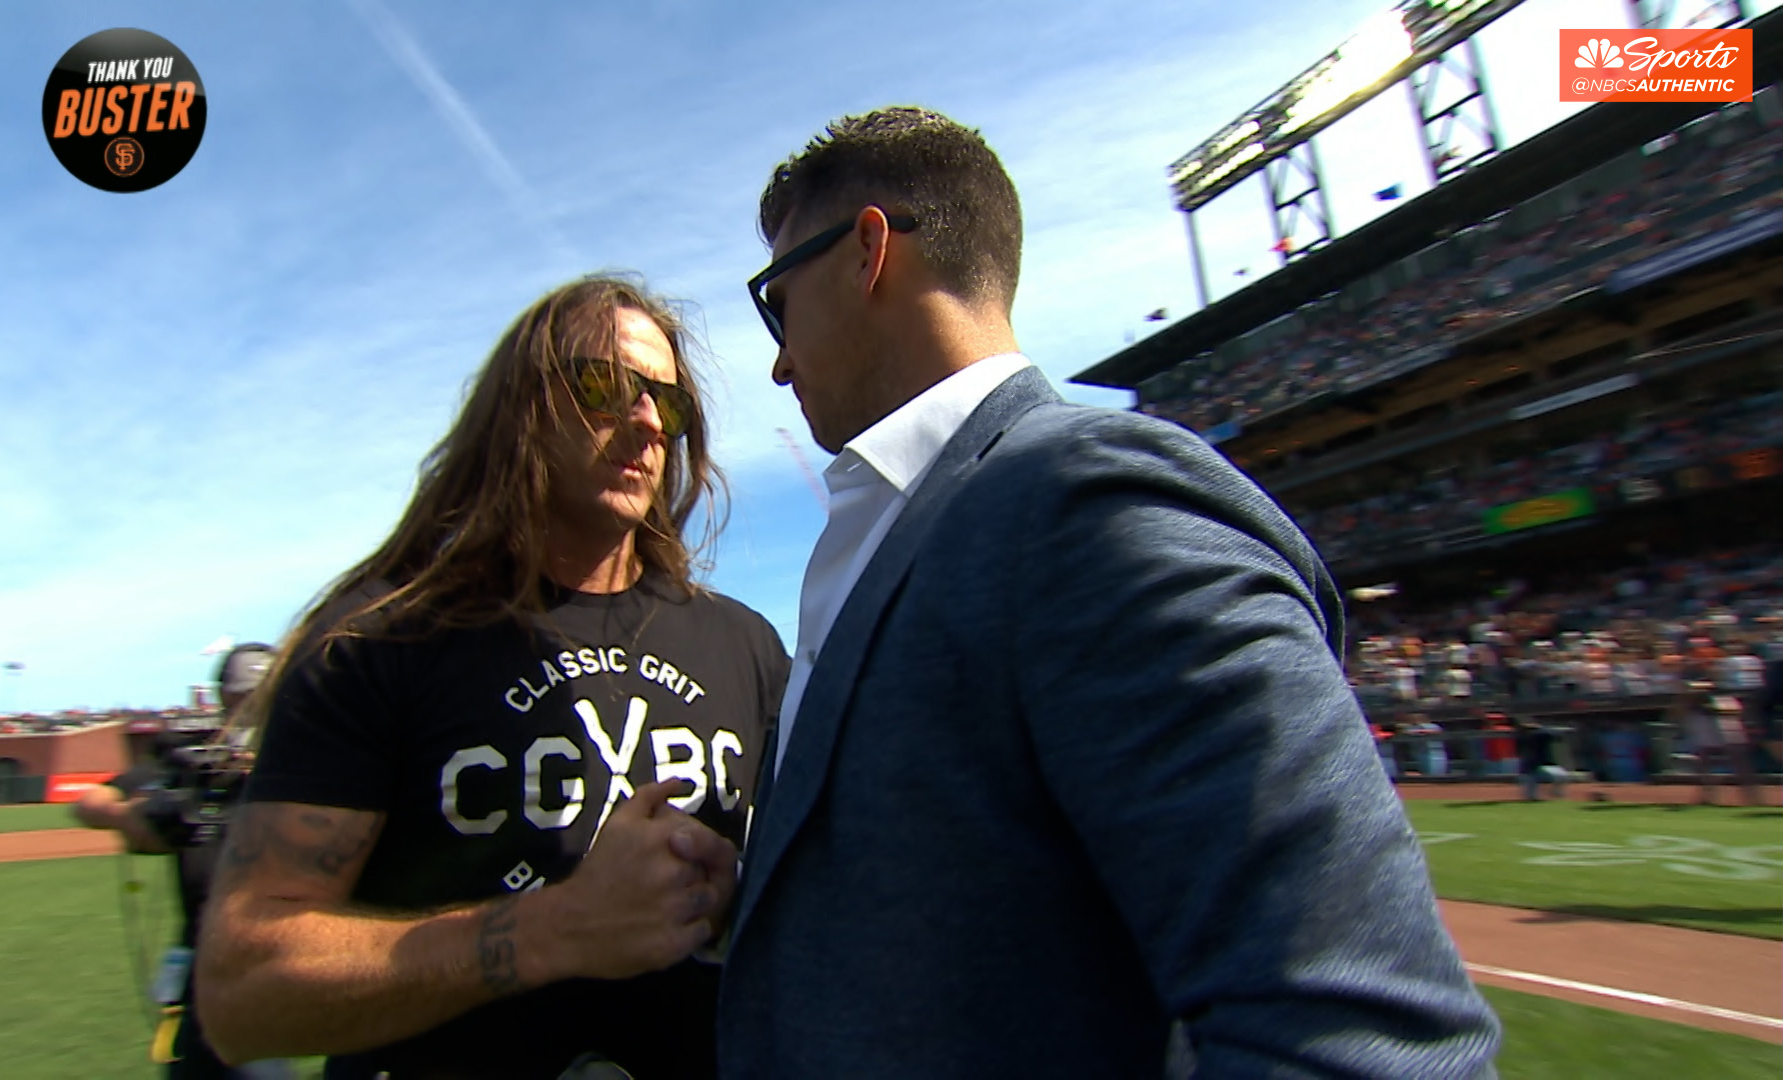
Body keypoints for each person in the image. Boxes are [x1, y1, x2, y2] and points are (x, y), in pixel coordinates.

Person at [718, 107, 1499, 1077]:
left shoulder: (1086, 496)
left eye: (775, 303)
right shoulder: (911, 522)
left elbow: (1360, 1039)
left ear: (867, 252)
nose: (779, 359)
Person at [194, 275, 788, 1080]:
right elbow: (242, 995)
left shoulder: (747, 648)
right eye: (603, 386)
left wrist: (737, 897)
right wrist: (557, 928)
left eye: (668, 403)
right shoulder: (381, 641)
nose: (647, 420)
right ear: (521, 407)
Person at [73, 643, 293, 1079]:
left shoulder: (307, 751)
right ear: (221, 698)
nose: (250, 708)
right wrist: (138, 817)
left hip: (283, 942)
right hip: (202, 948)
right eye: (240, 696)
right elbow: (90, 803)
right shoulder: (193, 755)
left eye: (262, 694)